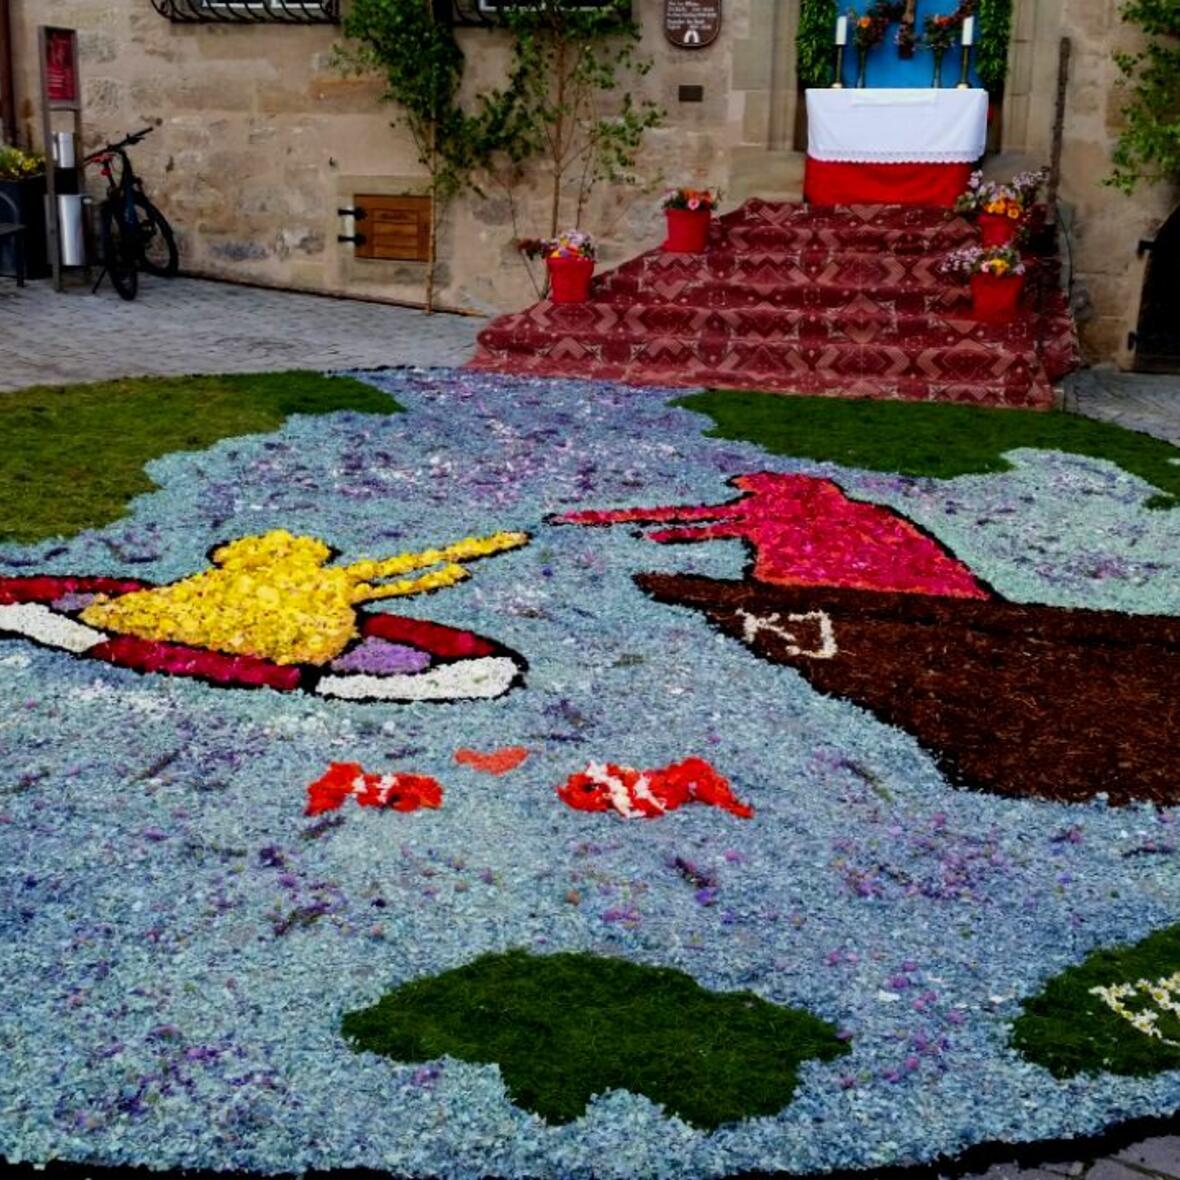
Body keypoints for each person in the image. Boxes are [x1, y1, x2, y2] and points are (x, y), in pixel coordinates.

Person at [79, 528, 528, 666]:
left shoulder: (329, 581)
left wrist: (441, 569)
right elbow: (392, 574)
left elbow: (394, 574)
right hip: (255, 622)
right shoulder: (330, 580)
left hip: (275, 624)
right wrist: (441, 570)